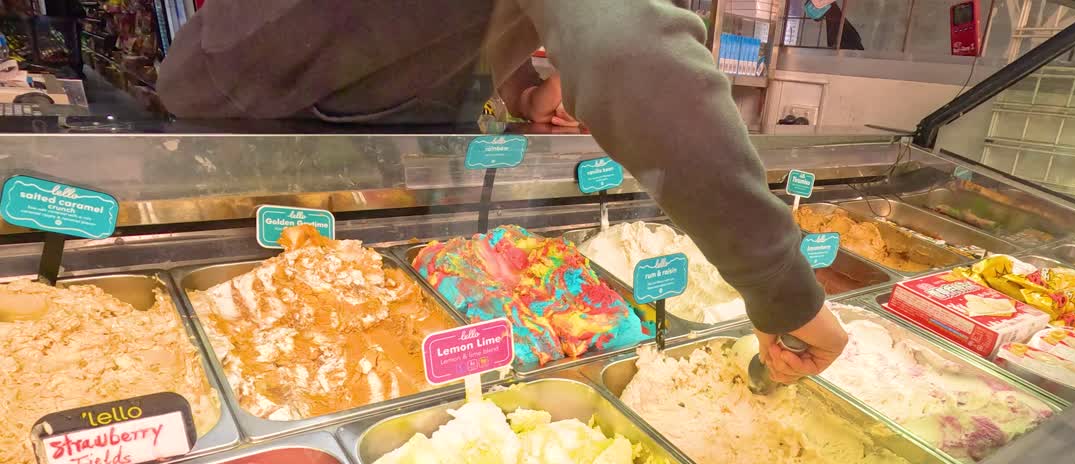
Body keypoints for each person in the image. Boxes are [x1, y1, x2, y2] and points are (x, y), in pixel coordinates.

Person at [157, 0, 847, 383]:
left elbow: (450, 23)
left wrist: (518, 85)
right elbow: (634, 54)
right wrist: (785, 291)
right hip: (239, 122)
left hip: (364, 125)